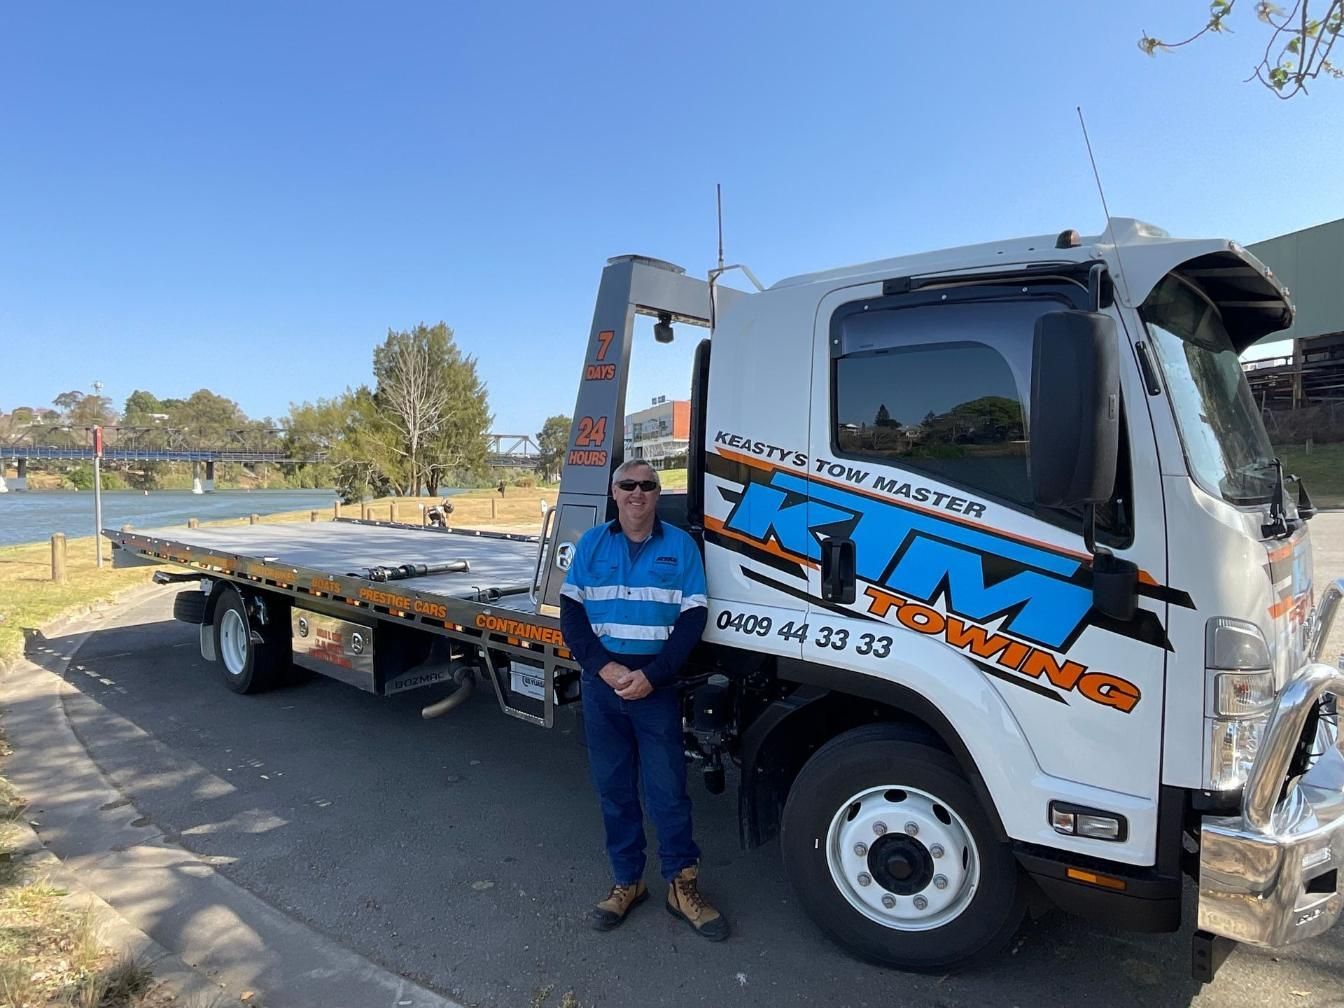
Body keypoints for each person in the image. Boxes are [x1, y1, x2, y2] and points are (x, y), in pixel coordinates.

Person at [559, 460, 729, 941]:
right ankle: (627, 882)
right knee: (614, 791)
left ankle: (682, 887)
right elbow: (571, 615)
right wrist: (604, 668)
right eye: (628, 485)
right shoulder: (593, 543)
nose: (638, 493)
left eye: (647, 486)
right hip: (603, 687)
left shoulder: (680, 545)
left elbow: (694, 619)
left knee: (667, 793)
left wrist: (653, 676)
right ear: (614, 493)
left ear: (658, 494)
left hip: (655, 689)